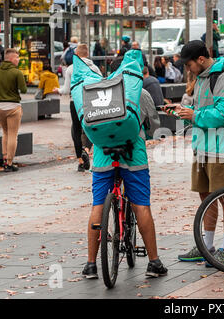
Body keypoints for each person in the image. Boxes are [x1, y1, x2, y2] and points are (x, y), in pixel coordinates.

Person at [162, 40, 224, 266]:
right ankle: (206, 246)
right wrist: (183, 112)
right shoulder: (202, 78)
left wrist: (194, 115)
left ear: (200, 59)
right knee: (205, 196)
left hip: (222, 149)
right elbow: (201, 111)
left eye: (189, 65)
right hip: (203, 147)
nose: (188, 70)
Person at [83, 88, 168, 279]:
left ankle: (90, 265)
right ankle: (154, 262)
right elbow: (155, 126)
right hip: (133, 154)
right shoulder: (141, 92)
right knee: (141, 206)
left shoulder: (100, 89)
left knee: (97, 206)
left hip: (103, 153)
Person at [53, 44, 96, 172]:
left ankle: (80, 161)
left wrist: (58, 90)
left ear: (76, 55)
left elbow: (66, 90)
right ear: (87, 54)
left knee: (76, 129)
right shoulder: (94, 68)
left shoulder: (71, 69)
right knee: (89, 127)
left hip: (75, 102)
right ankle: (86, 149)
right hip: (90, 101)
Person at [0, 48, 27, 172]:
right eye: (17, 57)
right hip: (13, 106)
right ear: (10, 58)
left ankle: (4, 159)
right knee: (13, 135)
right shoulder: (17, 72)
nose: (18, 60)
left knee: (5, 132)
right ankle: (9, 162)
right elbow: (24, 90)